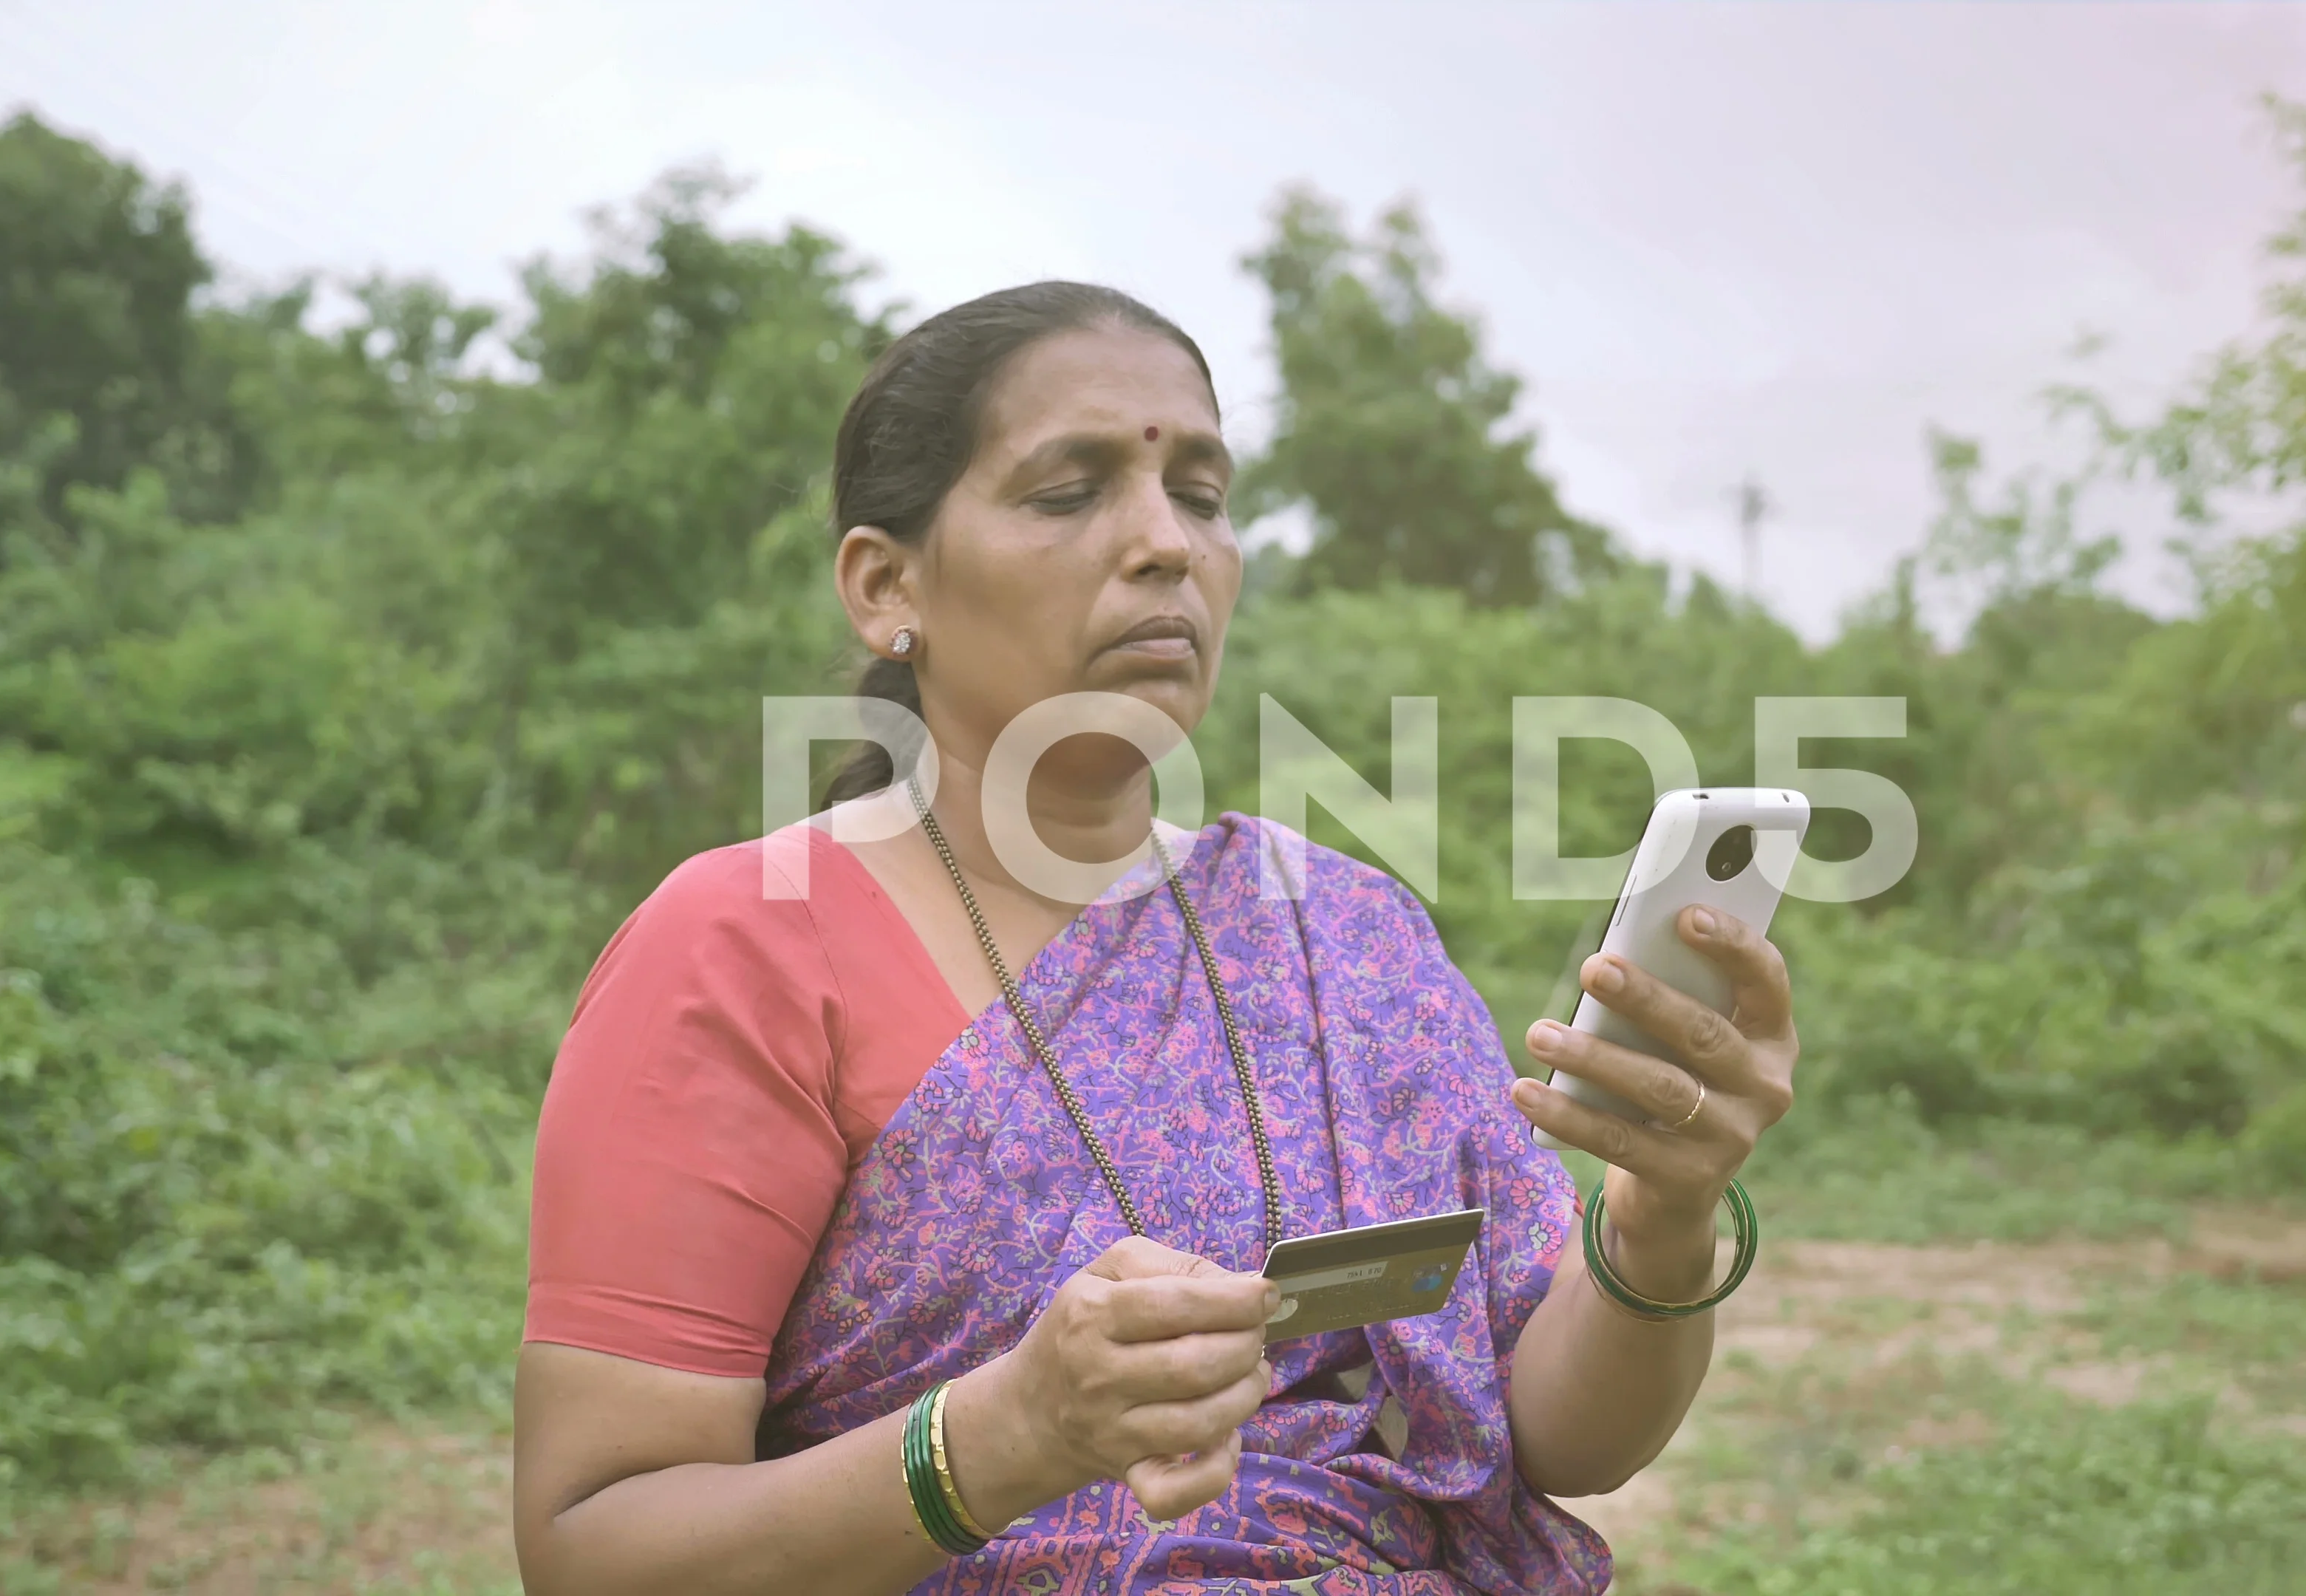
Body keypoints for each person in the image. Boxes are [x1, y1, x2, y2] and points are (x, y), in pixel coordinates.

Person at [510, 282, 1800, 1595]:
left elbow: (1555, 1434)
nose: (1165, 544)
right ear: (887, 583)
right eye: (1070, 494)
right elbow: (593, 1551)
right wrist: (1003, 1439)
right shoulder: (743, 949)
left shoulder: (1340, 937)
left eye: (1200, 493)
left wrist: (1661, 1219)